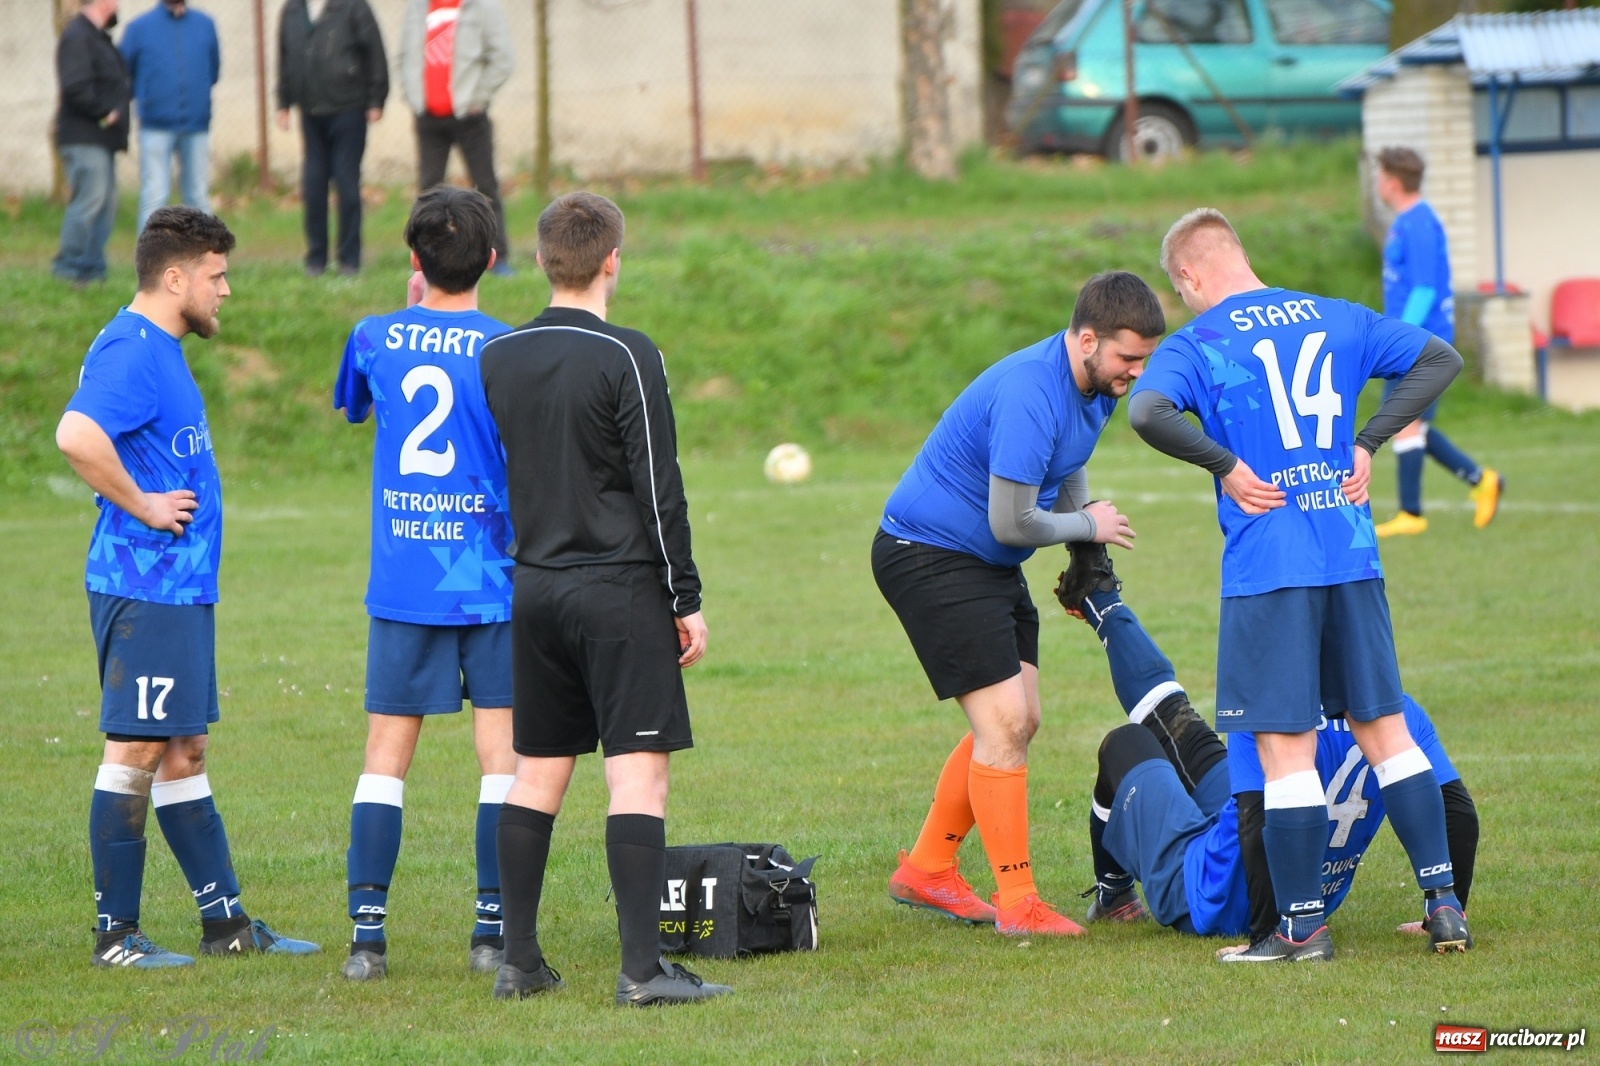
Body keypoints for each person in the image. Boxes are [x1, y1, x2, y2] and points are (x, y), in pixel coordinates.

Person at [1128, 208, 1472, 961]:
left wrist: (1224, 465)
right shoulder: (1335, 316)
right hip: (1350, 554)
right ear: (1239, 254)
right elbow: (1440, 359)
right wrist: (1367, 442)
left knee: (1286, 746)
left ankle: (1300, 928)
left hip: (1270, 567)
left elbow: (1146, 411)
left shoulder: (1202, 341)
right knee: (1385, 730)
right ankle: (1444, 904)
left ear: (1188, 275)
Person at [479, 192, 730, 1007]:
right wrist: (684, 596)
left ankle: (519, 963)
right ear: (612, 259)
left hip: (537, 590)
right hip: (618, 590)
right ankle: (642, 972)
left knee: (535, 775)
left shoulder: (500, 356)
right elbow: (662, 486)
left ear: (547, 259)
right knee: (637, 781)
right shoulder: (629, 354)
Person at [55, 207, 319, 968]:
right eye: (217, 274)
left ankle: (226, 925)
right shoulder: (132, 352)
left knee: (184, 749)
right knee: (138, 746)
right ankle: (117, 937)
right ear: (176, 278)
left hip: (178, 590)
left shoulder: (158, 346)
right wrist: (141, 504)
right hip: (147, 590)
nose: (225, 290)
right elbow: (77, 435)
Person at [872, 271, 1165, 938]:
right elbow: (1011, 521)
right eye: (1127, 357)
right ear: (1086, 339)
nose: (1135, 372)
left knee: (1019, 719)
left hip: (984, 563)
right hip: (929, 553)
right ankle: (1019, 903)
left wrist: (1083, 546)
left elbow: (1066, 468)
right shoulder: (1031, 392)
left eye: (1143, 358)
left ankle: (926, 869)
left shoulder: (1097, 382)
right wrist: (1087, 526)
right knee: (1004, 722)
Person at [1056, 566, 1478, 950]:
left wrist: (1263, 935)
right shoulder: (1398, 716)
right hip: (1315, 895)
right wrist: (1443, 906)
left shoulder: (1265, 703)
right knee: (1182, 729)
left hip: (1208, 897)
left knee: (1126, 744)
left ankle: (1114, 896)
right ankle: (1103, 603)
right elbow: (1458, 813)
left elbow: (1255, 828)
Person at [331, 187, 515, 982]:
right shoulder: (508, 347)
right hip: (491, 579)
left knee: (385, 757)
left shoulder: (374, 336)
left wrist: (412, 315)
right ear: (493, 261)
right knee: (501, 759)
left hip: (406, 578)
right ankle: (489, 935)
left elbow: (356, 406)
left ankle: (367, 943)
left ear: (413, 261)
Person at [1372, 147, 1502, 537]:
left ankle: (1412, 514)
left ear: (1392, 182)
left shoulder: (1420, 224)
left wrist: (1401, 335)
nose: (1377, 184)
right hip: (1411, 340)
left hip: (1420, 343)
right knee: (1410, 424)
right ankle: (1481, 480)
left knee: (1403, 422)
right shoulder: (1406, 221)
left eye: (1379, 176)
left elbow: (1426, 289)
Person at [399, 0, 514, 273]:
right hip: (428, 117)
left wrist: (478, 97)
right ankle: (425, 259)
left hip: (469, 117)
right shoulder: (418, 9)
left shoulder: (482, 8)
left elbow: (502, 59)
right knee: (428, 190)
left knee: (485, 187)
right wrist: (415, 97)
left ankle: (499, 258)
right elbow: (404, 57)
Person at [275, 0, 389, 276]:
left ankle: (349, 260)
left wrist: (376, 99)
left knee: (347, 185)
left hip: (348, 109)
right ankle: (316, 259)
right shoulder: (292, 10)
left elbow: (375, 52)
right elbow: (285, 57)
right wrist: (283, 101)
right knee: (313, 187)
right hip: (311, 113)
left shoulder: (353, 7)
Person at [120, 0, 221, 233]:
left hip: (196, 125)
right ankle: (148, 263)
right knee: (155, 195)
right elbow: (125, 72)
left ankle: (202, 262)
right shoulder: (140, 28)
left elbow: (213, 71)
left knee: (197, 195)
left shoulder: (205, 25)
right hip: (155, 126)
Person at [52, 0, 130, 286]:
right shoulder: (78, 36)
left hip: (101, 140)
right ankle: (68, 268)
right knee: (89, 201)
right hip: (83, 136)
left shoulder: (97, 37)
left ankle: (93, 269)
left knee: (105, 204)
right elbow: (75, 85)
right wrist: (104, 112)